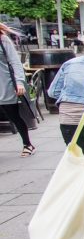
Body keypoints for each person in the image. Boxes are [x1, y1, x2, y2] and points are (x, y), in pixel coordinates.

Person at [0, 22, 35, 157]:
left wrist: (19, 82)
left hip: (5, 84)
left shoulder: (3, 39)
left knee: (13, 116)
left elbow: (15, 61)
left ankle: (27, 144)